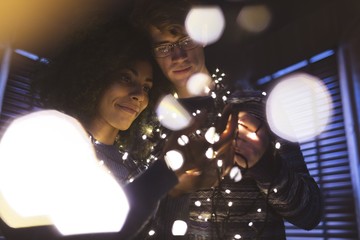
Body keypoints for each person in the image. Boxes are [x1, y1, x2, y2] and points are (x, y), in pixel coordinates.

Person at [0, 16, 232, 240]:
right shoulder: (54, 146)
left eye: (146, 88)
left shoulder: (135, 167)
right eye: (126, 78)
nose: (139, 95)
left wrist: (176, 187)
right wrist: (164, 174)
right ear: (94, 77)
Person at [131, 0, 323, 239]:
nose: (178, 56)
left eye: (186, 41)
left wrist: (266, 166)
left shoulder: (257, 107)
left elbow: (311, 213)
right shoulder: (147, 126)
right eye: (164, 47)